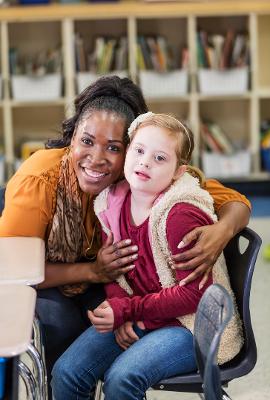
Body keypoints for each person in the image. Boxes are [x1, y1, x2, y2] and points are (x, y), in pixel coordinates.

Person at [0, 76, 250, 386]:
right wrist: (92, 271)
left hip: (114, 282)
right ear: (73, 137)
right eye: (86, 141)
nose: (96, 158)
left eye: (114, 148)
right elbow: (12, 269)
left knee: (109, 342)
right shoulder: (40, 180)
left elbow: (234, 201)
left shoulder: (145, 175)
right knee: (60, 324)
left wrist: (222, 230)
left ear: (130, 150)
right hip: (46, 277)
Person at [51, 112, 243, 400]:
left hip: (192, 324)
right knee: (67, 372)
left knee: (122, 379)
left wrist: (128, 311)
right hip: (146, 312)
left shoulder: (180, 215)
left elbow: (196, 297)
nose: (144, 162)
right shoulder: (112, 202)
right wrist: (120, 308)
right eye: (139, 151)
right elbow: (115, 270)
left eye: (160, 158)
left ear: (179, 171)